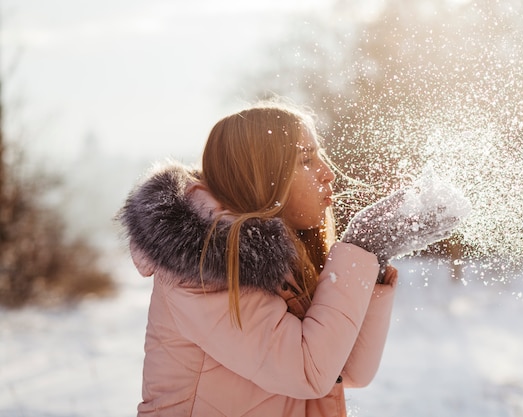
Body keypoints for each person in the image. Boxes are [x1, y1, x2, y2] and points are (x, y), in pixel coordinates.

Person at [117, 98, 467, 417]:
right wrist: (360, 244)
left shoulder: (284, 253)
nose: (328, 172)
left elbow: (346, 370)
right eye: (306, 159)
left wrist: (372, 257)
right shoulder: (203, 267)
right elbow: (307, 372)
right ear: (261, 176)